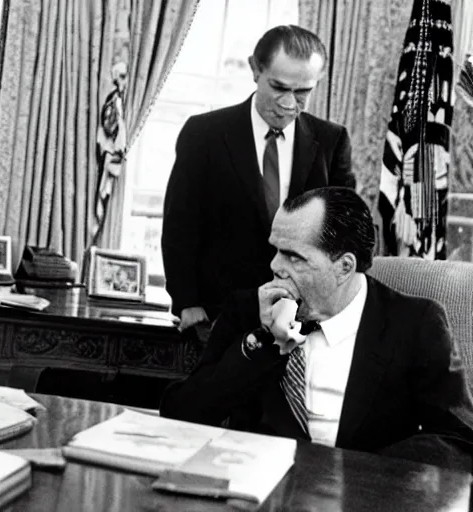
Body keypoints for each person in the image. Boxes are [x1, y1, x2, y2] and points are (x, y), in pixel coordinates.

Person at [160, 187, 473, 470]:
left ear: (344, 267)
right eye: (276, 249)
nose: (275, 266)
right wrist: (261, 340)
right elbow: (181, 414)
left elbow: (458, 441)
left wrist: (358, 474)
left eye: (294, 256)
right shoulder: (248, 310)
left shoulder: (415, 323)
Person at [162, 25, 356, 333]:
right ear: (255, 69)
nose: (289, 104)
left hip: (304, 319)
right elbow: (179, 225)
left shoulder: (332, 141)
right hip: (218, 317)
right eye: (279, 87)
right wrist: (186, 302)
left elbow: (346, 234)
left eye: (303, 92)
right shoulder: (204, 135)